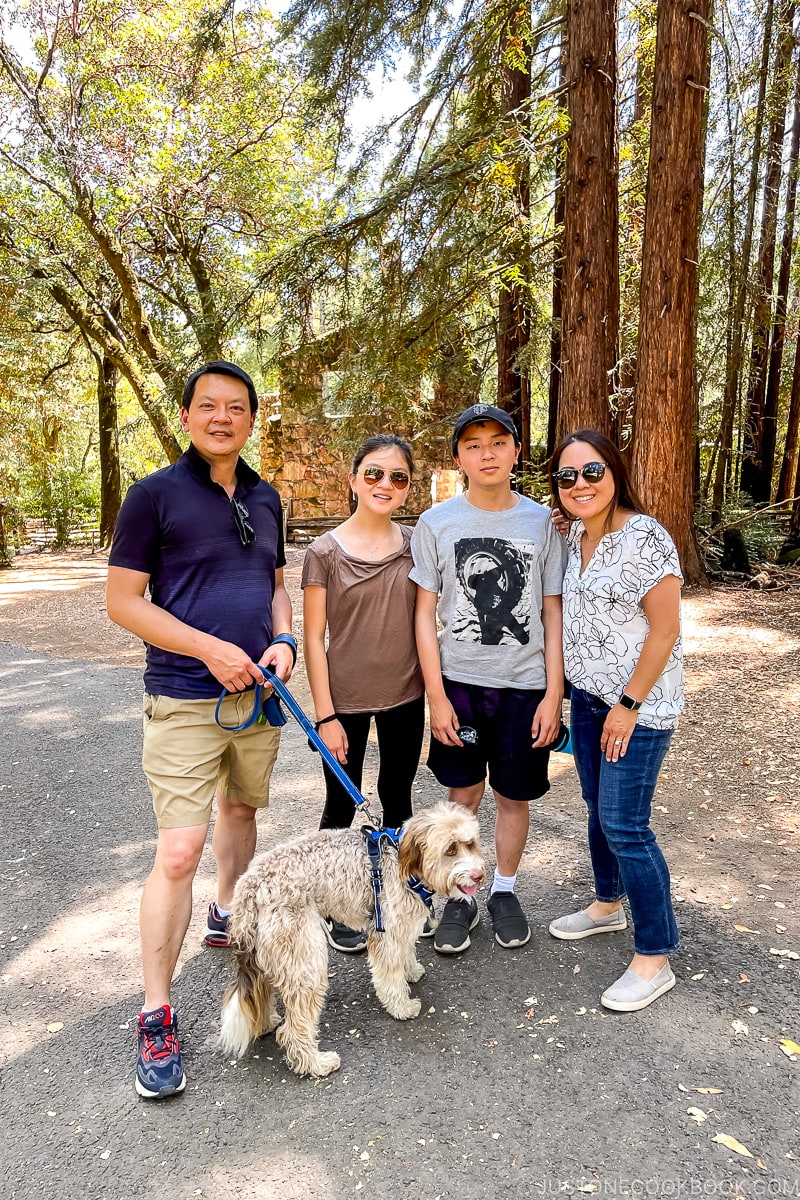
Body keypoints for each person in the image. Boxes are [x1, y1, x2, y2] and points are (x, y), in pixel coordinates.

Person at [106, 361, 296, 1098]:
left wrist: (282, 639)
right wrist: (208, 648)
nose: (223, 417)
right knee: (179, 850)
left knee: (242, 812)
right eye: (208, 406)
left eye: (237, 407)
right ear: (186, 415)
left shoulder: (265, 494)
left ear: (252, 418)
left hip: (258, 698)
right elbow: (124, 602)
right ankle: (156, 1011)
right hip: (184, 698)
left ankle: (227, 915)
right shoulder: (153, 495)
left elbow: (275, 587)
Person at [410, 404, 565, 954]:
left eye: (498, 442)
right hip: (460, 686)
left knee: (513, 794)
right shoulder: (437, 524)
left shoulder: (542, 524)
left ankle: (503, 889)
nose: (486, 453)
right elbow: (424, 615)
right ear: (458, 458)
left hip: (524, 688)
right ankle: (462, 897)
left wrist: (553, 692)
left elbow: (551, 610)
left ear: (516, 451)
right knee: (462, 793)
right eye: (473, 445)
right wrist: (437, 695)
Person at [547, 428, 683, 1012]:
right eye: (567, 476)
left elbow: (666, 630)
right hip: (588, 702)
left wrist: (628, 706)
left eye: (592, 472)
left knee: (626, 824)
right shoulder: (575, 533)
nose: (580, 484)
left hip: (638, 708)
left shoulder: (647, 537)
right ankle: (606, 905)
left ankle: (655, 957)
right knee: (599, 812)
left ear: (616, 473)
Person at [302, 435, 425, 952]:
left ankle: (393, 902)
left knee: (398, 801)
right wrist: (325, 716)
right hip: (343, 705)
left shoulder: (418, 544)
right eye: (373, 473)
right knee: (340, 807)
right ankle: (333, 905)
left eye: (398, 477)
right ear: (352, 480)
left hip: (406, 697)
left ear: (407, 489)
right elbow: (312, 637)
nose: (384, 485)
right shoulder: (324, 552)